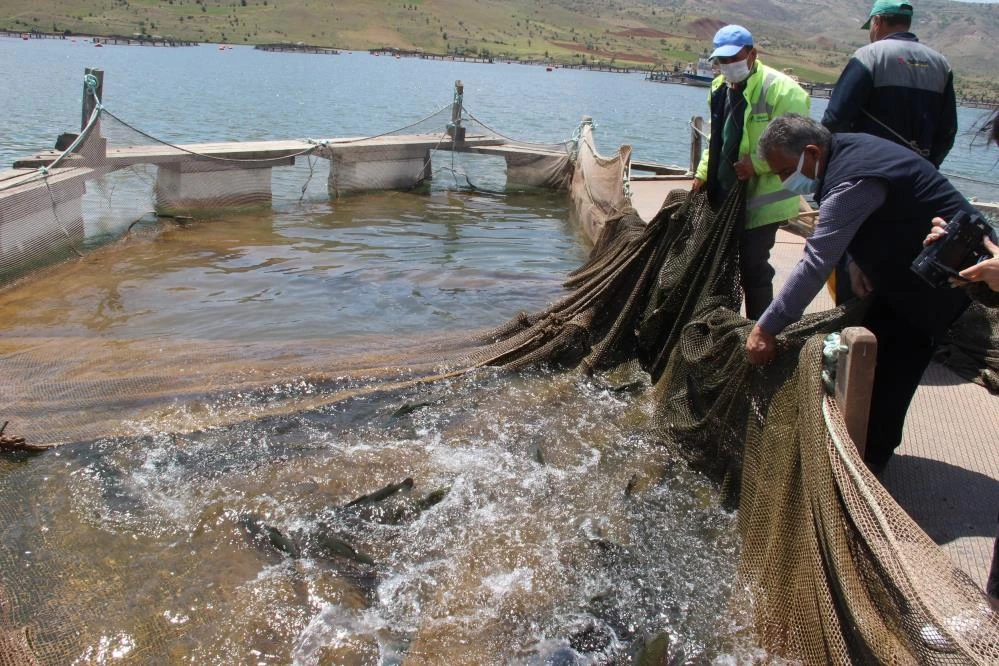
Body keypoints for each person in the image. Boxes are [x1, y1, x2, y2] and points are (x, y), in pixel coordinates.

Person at [744, 114, 981, 474]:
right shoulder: (844, 152)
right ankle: (857, 442)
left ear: (811, 152)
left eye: (784, 170)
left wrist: (766, 327)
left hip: (945, 273)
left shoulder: (852, 177)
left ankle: (871, 462)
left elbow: (816, 260)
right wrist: (857, 259)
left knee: (897, 363)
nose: (782, 180)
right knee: (867, 352)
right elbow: (860, 221)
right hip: (905, 267)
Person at [691, 25, 810, 320]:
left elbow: (797, 148)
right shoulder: (718, 88)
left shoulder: (784, 91)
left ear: (752, 53)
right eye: (721, 61)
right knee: (716, 261)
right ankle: (718, 322)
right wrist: (703, 173)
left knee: (752, 265)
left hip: (764, 200)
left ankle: (761, 328)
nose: (727, 66)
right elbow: (718, 138)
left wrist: (756, 166)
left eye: (734, 58)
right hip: (723, 193)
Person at [822, 1, 957, 169]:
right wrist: (929, 166)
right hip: (917, 173)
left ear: (877, 21)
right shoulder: (941, 64)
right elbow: (948, 131)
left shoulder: (870, 56)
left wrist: (836, 162)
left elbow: (835, 118)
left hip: (868, 167)